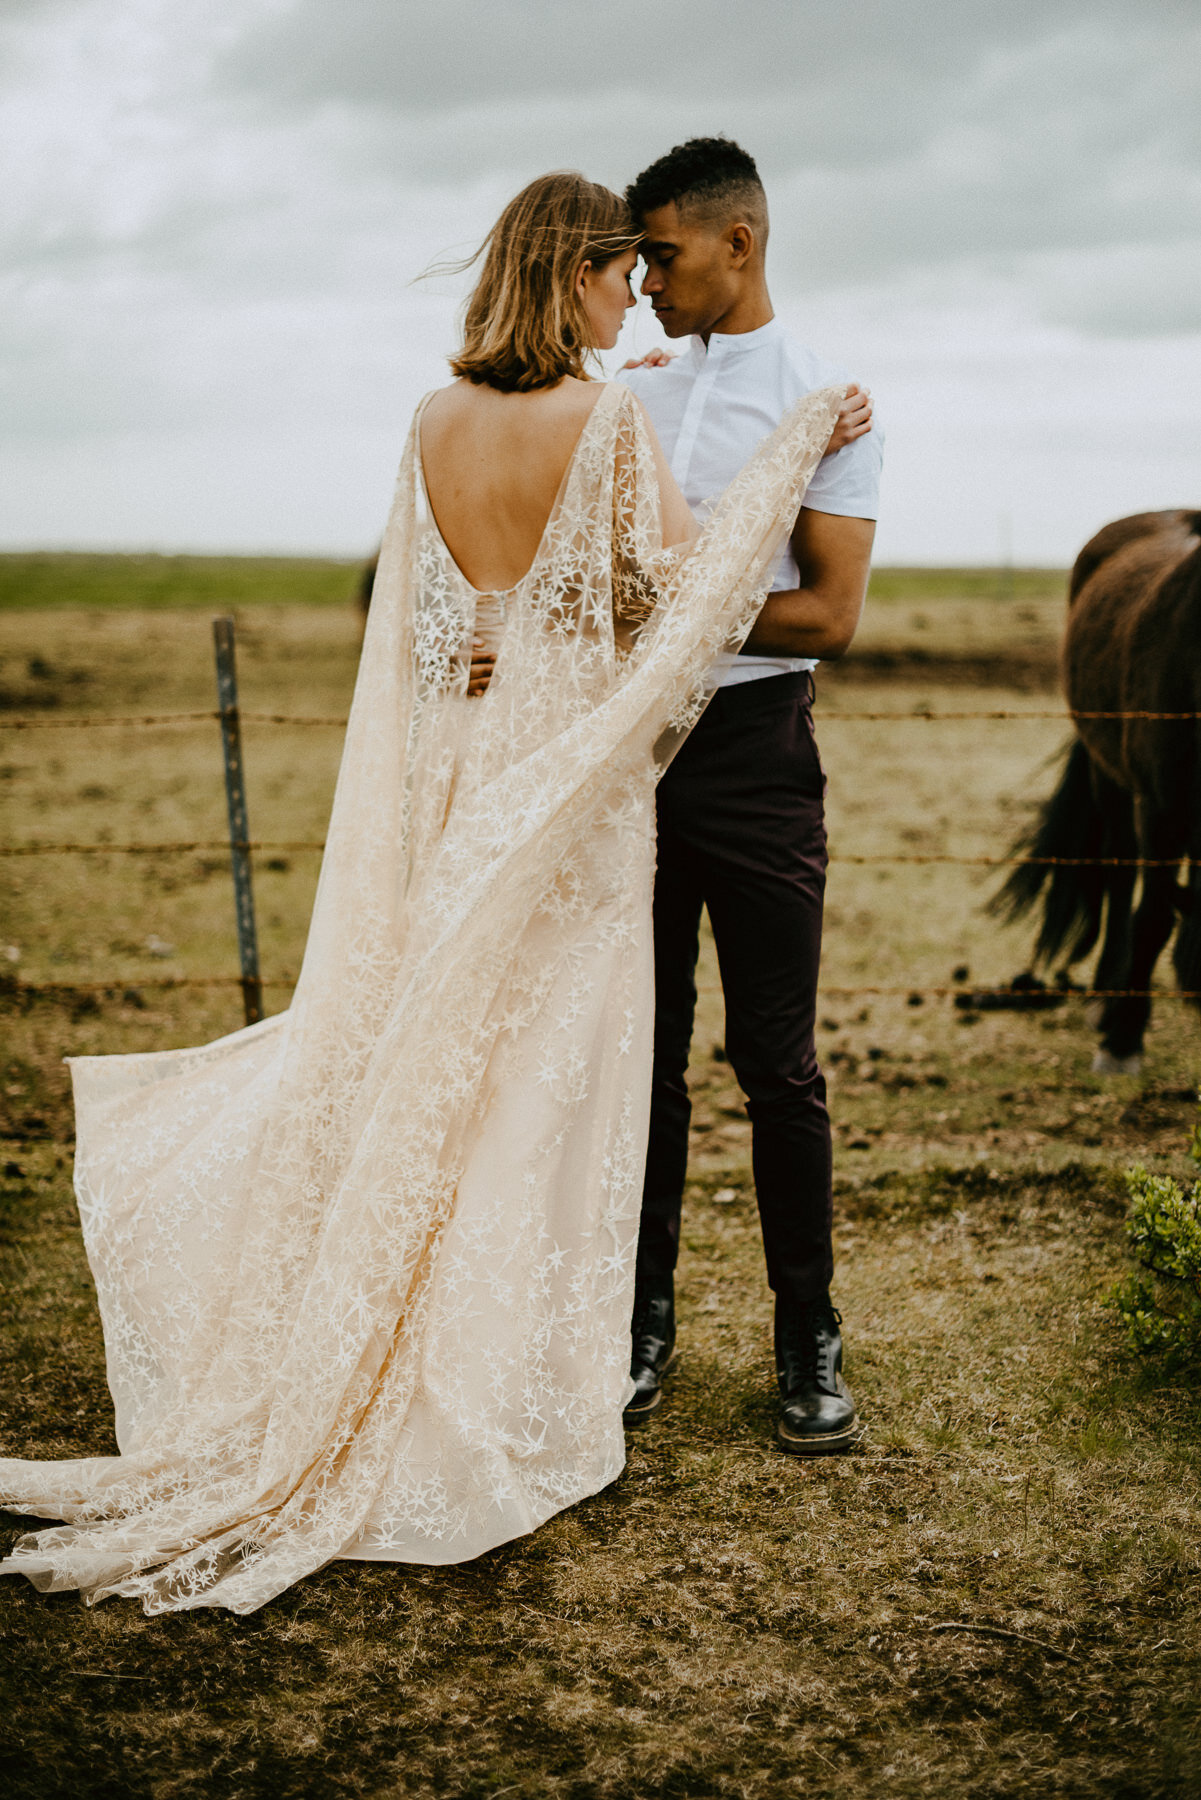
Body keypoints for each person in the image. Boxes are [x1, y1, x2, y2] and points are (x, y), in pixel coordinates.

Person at [0, 171, 856, 1615]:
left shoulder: (429, 422)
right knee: (546, 1077)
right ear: (573, 273)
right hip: (574, 799)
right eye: (616, 271)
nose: (631, 293)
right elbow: (669, 597)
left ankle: (446, 1338)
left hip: (465, 770)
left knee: (449, 1057)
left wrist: (500, 656)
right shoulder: (607, 417)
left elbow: (438, 623)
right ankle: (500, 1372)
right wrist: (792, 453)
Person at [618, 138, 881, 1454]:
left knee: (774, 1062)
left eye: (659, 254)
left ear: (738, 242)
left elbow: (828, 614)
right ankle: (637, 1326)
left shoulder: (827, 402)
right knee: (640, 1059)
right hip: (637, 759)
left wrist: (668, 608)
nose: (642, 281)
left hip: (760, 755)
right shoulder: (636, 392)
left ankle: (807, 1338)